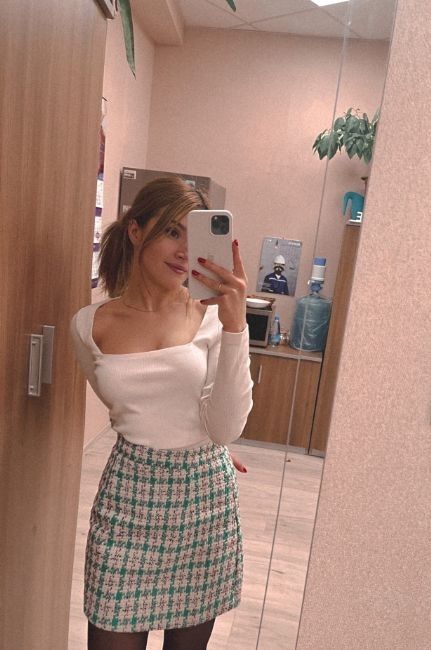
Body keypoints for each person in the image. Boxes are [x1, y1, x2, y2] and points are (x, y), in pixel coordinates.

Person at [71, 176, 253, 650]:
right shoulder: (89, 325)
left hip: (203, 507)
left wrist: (235, 327)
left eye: (195, 236)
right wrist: (169, 435)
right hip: (127, 502)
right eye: (173, 231)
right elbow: (125, 407)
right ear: (136, 230)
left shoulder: (213, 316)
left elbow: (226, 426)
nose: (185, 251)